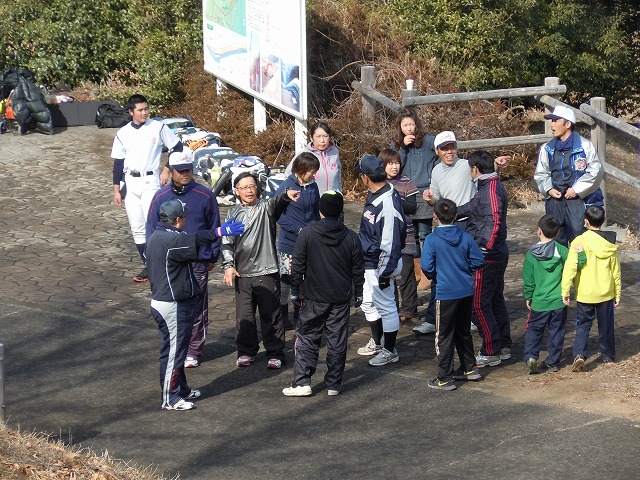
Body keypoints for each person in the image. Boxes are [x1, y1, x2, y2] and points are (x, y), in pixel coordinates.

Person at [146, 199, 244, 410]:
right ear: (177, 220)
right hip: (172, 304)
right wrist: (219, 232)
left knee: (178, 351)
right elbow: (195, 239)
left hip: (168, 302)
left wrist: (218, 232)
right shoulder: (171, 239)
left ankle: (180, 389)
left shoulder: (157, 235)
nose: (186, 220)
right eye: (184, 217)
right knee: (173, 353)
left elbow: (191, 238)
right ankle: (170, 398)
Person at [416, 131, 509, 335]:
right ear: (437, 151)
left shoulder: (467, 165)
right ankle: (433, 318)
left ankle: (471, 318)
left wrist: (496, 164)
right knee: (441, 272)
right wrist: (430, 200)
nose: (449, 152)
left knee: (469, 273)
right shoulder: (436, 171)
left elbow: (485, 173)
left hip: (469, 226)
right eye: (444, 148)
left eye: (452, 147)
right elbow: (436, 200)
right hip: (448, 224)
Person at [282, 190, 365, 396]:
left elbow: (298, 264)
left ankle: (302, 382)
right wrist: (359, 291)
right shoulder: (351, 237)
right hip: (340, 296)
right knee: (337, 340)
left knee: (308, 337)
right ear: (340, 211)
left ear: (320, 211)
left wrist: (295, 289)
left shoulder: (307, 233)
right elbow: (358, 268)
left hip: (313, 296)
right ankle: (334, 384)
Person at [146, 150, 221, 368]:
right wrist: (152, 260)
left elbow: (214, 226)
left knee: (196, 307)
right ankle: (176, 345)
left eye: (188, 169)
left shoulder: (205, 195)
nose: (185, 173)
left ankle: (194, 349)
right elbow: (151, 229)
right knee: (172, 305)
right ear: (171, 171)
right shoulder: (160, 197)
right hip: (169, 262)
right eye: (180, 170)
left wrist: (211, 255)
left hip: (197, 260)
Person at [221, 172, 300, 369]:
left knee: (271, 315)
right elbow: (227, 242)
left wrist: (286, 195)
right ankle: (246, 351)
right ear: (237, 191)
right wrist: (228, 266)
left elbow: (278, 202)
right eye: (244, 187)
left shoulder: (266, 207)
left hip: (267, 271)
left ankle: (275, 352)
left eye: (252, 186)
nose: (249, 191)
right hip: (242, 273)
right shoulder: (233, 212)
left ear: (257, 188)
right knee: (245, 316)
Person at [111, 94, 182, 283]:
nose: (144, 113)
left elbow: (177, 147)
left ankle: (162, 262)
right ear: (131, 112)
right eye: (140, 110)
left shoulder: (157, 127)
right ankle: (149, 265)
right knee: (137, 227)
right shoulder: (123, 133)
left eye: (146, 109)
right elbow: (118, 163)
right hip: (130, 182)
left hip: (150, 181)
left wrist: (167, 169)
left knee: (153, 223)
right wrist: (116, 189)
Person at [421, 199, 485, 390]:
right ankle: (469, 368)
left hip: (445, 293)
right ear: (456, 216)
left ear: (435, 216)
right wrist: (465, 271)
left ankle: (445, 377)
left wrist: (437, 275)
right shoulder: (465, 237)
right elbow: (478, 260)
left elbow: (426, 266)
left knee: (443, 336)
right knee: (463, 331)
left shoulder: (432, 239)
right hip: (465, 290)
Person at [456, 151, 511, 368]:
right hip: (494, 253)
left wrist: (484, 249)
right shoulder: (486, 187)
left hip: (488, 256)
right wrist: (449, 212)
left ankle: (490, 350)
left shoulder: (490, 189)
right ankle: (503, 344)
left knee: (478, 304)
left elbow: (494, 221)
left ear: (475, 169)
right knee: (495, 300)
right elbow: (472, 207)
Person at [355, 155, 406, 366]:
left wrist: (384, 273)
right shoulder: (376, 194)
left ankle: (390, 350)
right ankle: (377, 342)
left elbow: (390, 242)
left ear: (365, 177)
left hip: (381, 264)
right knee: (368, 303)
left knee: (386, 307)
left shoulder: (387, 203)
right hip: (369, 262)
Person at [534, 105, 604, 247]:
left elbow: (595, 171)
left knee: (579, 239)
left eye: (556, 121)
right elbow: (541, 173)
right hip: (555, 202)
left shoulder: (585, 146)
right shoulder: (547, 149)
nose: (552, 125)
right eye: (551, 121)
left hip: (578, 201)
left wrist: (576, 189)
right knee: (556, 240)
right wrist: (549, 189)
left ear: (567, 124)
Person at [562, 205, 621, 372]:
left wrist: (565, 290)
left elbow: (570, 268)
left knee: (583, 325)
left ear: (586, 222)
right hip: (606, 293)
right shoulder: (609, 243)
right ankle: (608, 356)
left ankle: (579, 354)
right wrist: (617, 292)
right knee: (606, 326)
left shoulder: (579, 242)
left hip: (585, 294)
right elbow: (615, 271)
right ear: (603, 221)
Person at [523, 215, 579, 374]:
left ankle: (531, 357)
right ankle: (553, 362)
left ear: (539, 231)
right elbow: (575, 265)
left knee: (534, 330)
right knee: (557, 331)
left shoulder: (531, 254)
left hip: (539, 301)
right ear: (557, 232)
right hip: (558, 301)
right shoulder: (562, 251)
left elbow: (529, 279)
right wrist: (580, 255)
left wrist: (528, 296)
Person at [275, 152, 320, 330]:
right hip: (290, 242)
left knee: (304, 278)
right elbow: (277, 215)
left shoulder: (313, 185)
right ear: (301, 169)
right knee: (286, 279)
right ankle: (282, 313)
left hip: (309, 240)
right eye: (311, 171)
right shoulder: (286, 186)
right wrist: (298, 230)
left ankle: (300, 312)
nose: (314, 174)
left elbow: (316, 210)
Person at [379, 148, 420, 320]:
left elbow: (412, 207)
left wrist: (393, 200)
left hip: (406, 235)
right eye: (390, 163)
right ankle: (391, 309)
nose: (394, 167)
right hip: (385, 237)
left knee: (406, 272)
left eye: (396, 163)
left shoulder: (407, 182)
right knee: (387, 274)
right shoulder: (378, 183)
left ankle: (409, 309)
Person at [390, 108, 438, 249]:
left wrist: (433, 171)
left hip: (424, 192)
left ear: (416, 124)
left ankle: (428, 261)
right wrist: (403, 147)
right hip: (406, 193)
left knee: (425, 233)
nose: (409, 128)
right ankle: (414, 262)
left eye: (411, 124)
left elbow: (442, 151)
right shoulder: (396, 144)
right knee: (411, 236)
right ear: (400, 127)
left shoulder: (428, 140)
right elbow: (396, 166)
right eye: (405, 125)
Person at [285, 121, 341, 194]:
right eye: (318, 136)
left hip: (332, 198)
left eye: (325, 136)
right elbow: (288, 175)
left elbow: (338, 175)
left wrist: (339, 192)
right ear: (311, 138)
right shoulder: (304, 155)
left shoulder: (334, 152)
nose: (322, 140)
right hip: (312, 198)